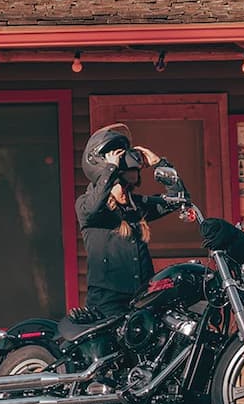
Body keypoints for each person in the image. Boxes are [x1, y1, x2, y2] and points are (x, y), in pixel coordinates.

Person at [73, 123, 180, 323]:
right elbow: (96, 205)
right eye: (119, 183)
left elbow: (179, 199)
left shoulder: (137, 206)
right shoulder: (87, 207)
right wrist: (110, 168)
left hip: (143, 297)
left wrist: (160, 163)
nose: (125, 188)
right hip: (107, 302)